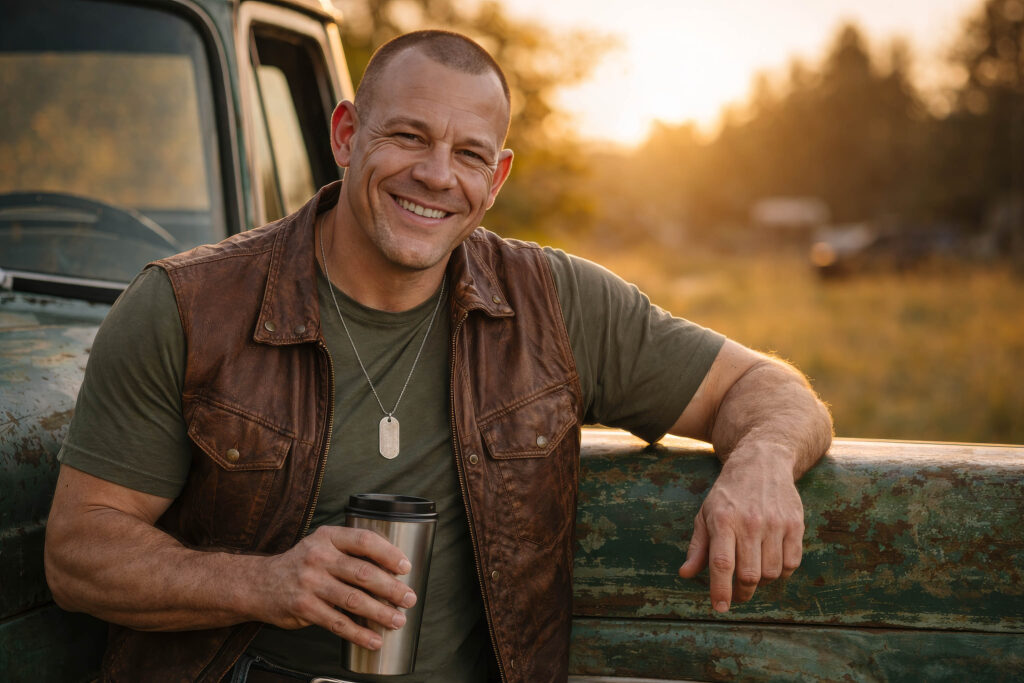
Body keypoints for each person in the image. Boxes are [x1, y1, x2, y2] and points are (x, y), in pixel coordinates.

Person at [44, 30, 832, 683]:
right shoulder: (186, 306)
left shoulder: (554, 304)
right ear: (348, 135)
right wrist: (269, 582)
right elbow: (79, 554)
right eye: (409, 136)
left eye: (468, 154)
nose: (435, 175)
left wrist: (760, 462)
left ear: (497, 178)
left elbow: (767, 387)